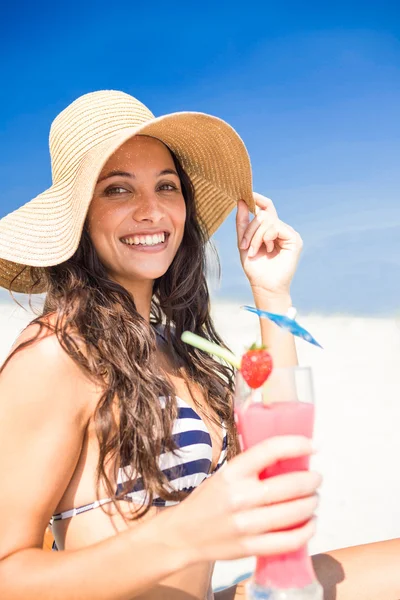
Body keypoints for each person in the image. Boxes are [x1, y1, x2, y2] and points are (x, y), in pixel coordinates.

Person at [0, 91, 396, 600]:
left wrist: (271, 292)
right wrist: (183, 535)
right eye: (118, 190)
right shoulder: (57, 354)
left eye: (167, 186)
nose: (151, 210)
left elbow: (279, 442)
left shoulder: (175, 348)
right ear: (79, 219)